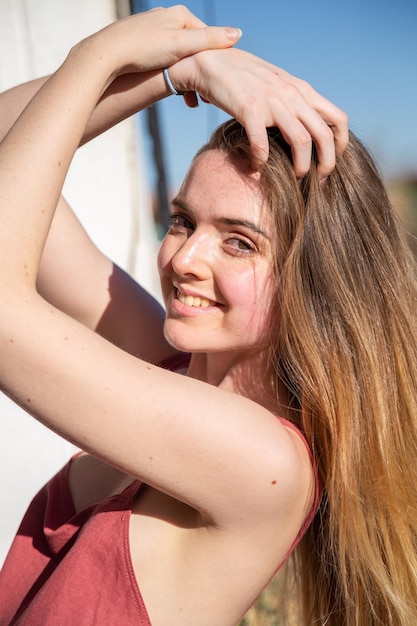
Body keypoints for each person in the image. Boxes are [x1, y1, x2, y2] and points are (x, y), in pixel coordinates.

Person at [0, 5, 416, 625]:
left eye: (239, 241)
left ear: (316, 284)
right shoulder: (168, 367)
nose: (185, 258)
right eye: (183, 221)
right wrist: (179, 73)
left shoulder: (264, 464)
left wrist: (102, 54)